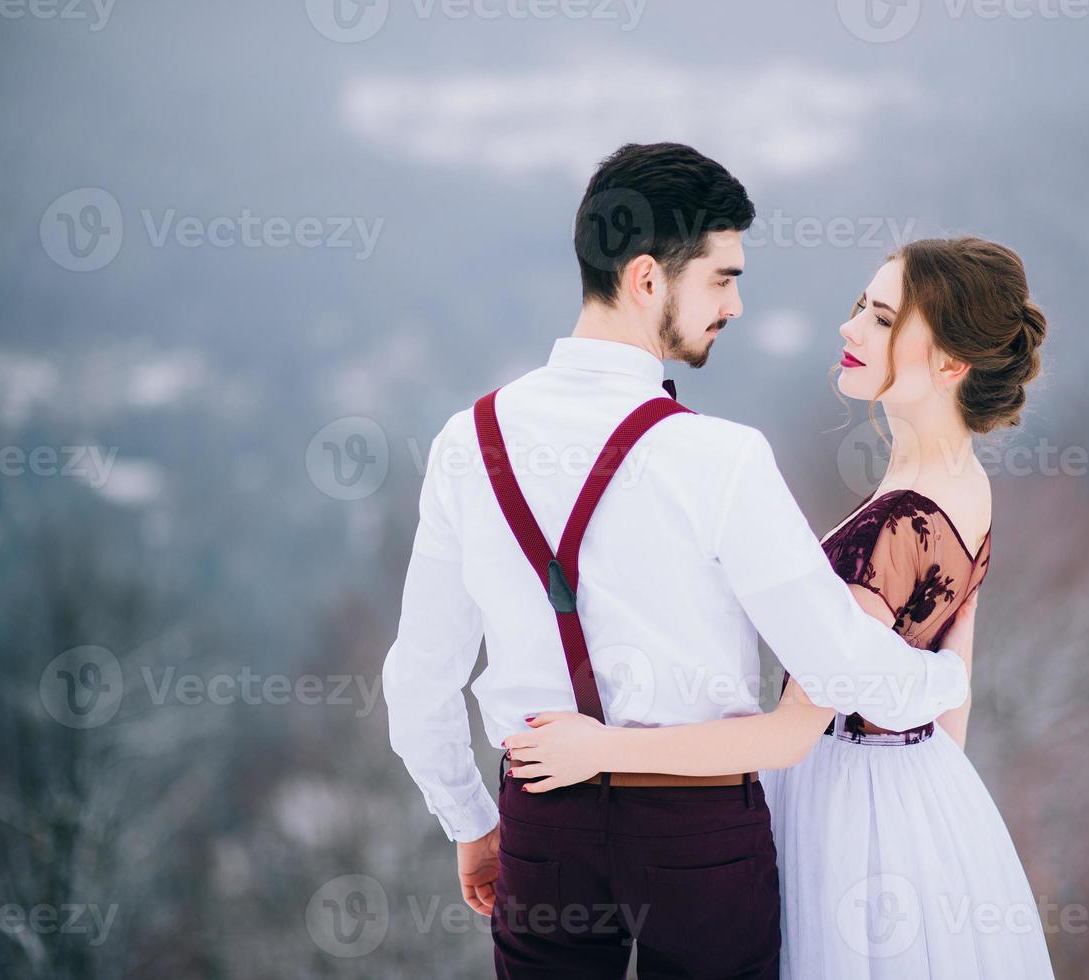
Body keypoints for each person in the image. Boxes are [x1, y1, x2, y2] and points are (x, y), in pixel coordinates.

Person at [381, 143, 971, 978]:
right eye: (722, 278)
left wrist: (473, 826)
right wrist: (946, 681)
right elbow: (837, 663)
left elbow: (417, 683)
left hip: (541, 831)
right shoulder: (719, 458)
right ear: (649, 279)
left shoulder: (464, 446)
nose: (734, 305)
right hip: (700, 840)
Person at [504, 237, 1056, 977]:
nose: (851, 327)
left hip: (845, 810)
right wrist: (924, 835)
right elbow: (953, 693)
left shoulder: (895, 527)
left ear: (952, 364)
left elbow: (790, 734)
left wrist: (599, 750)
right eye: (863, 305)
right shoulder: (962, 483)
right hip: (923, 800)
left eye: (885, 319)